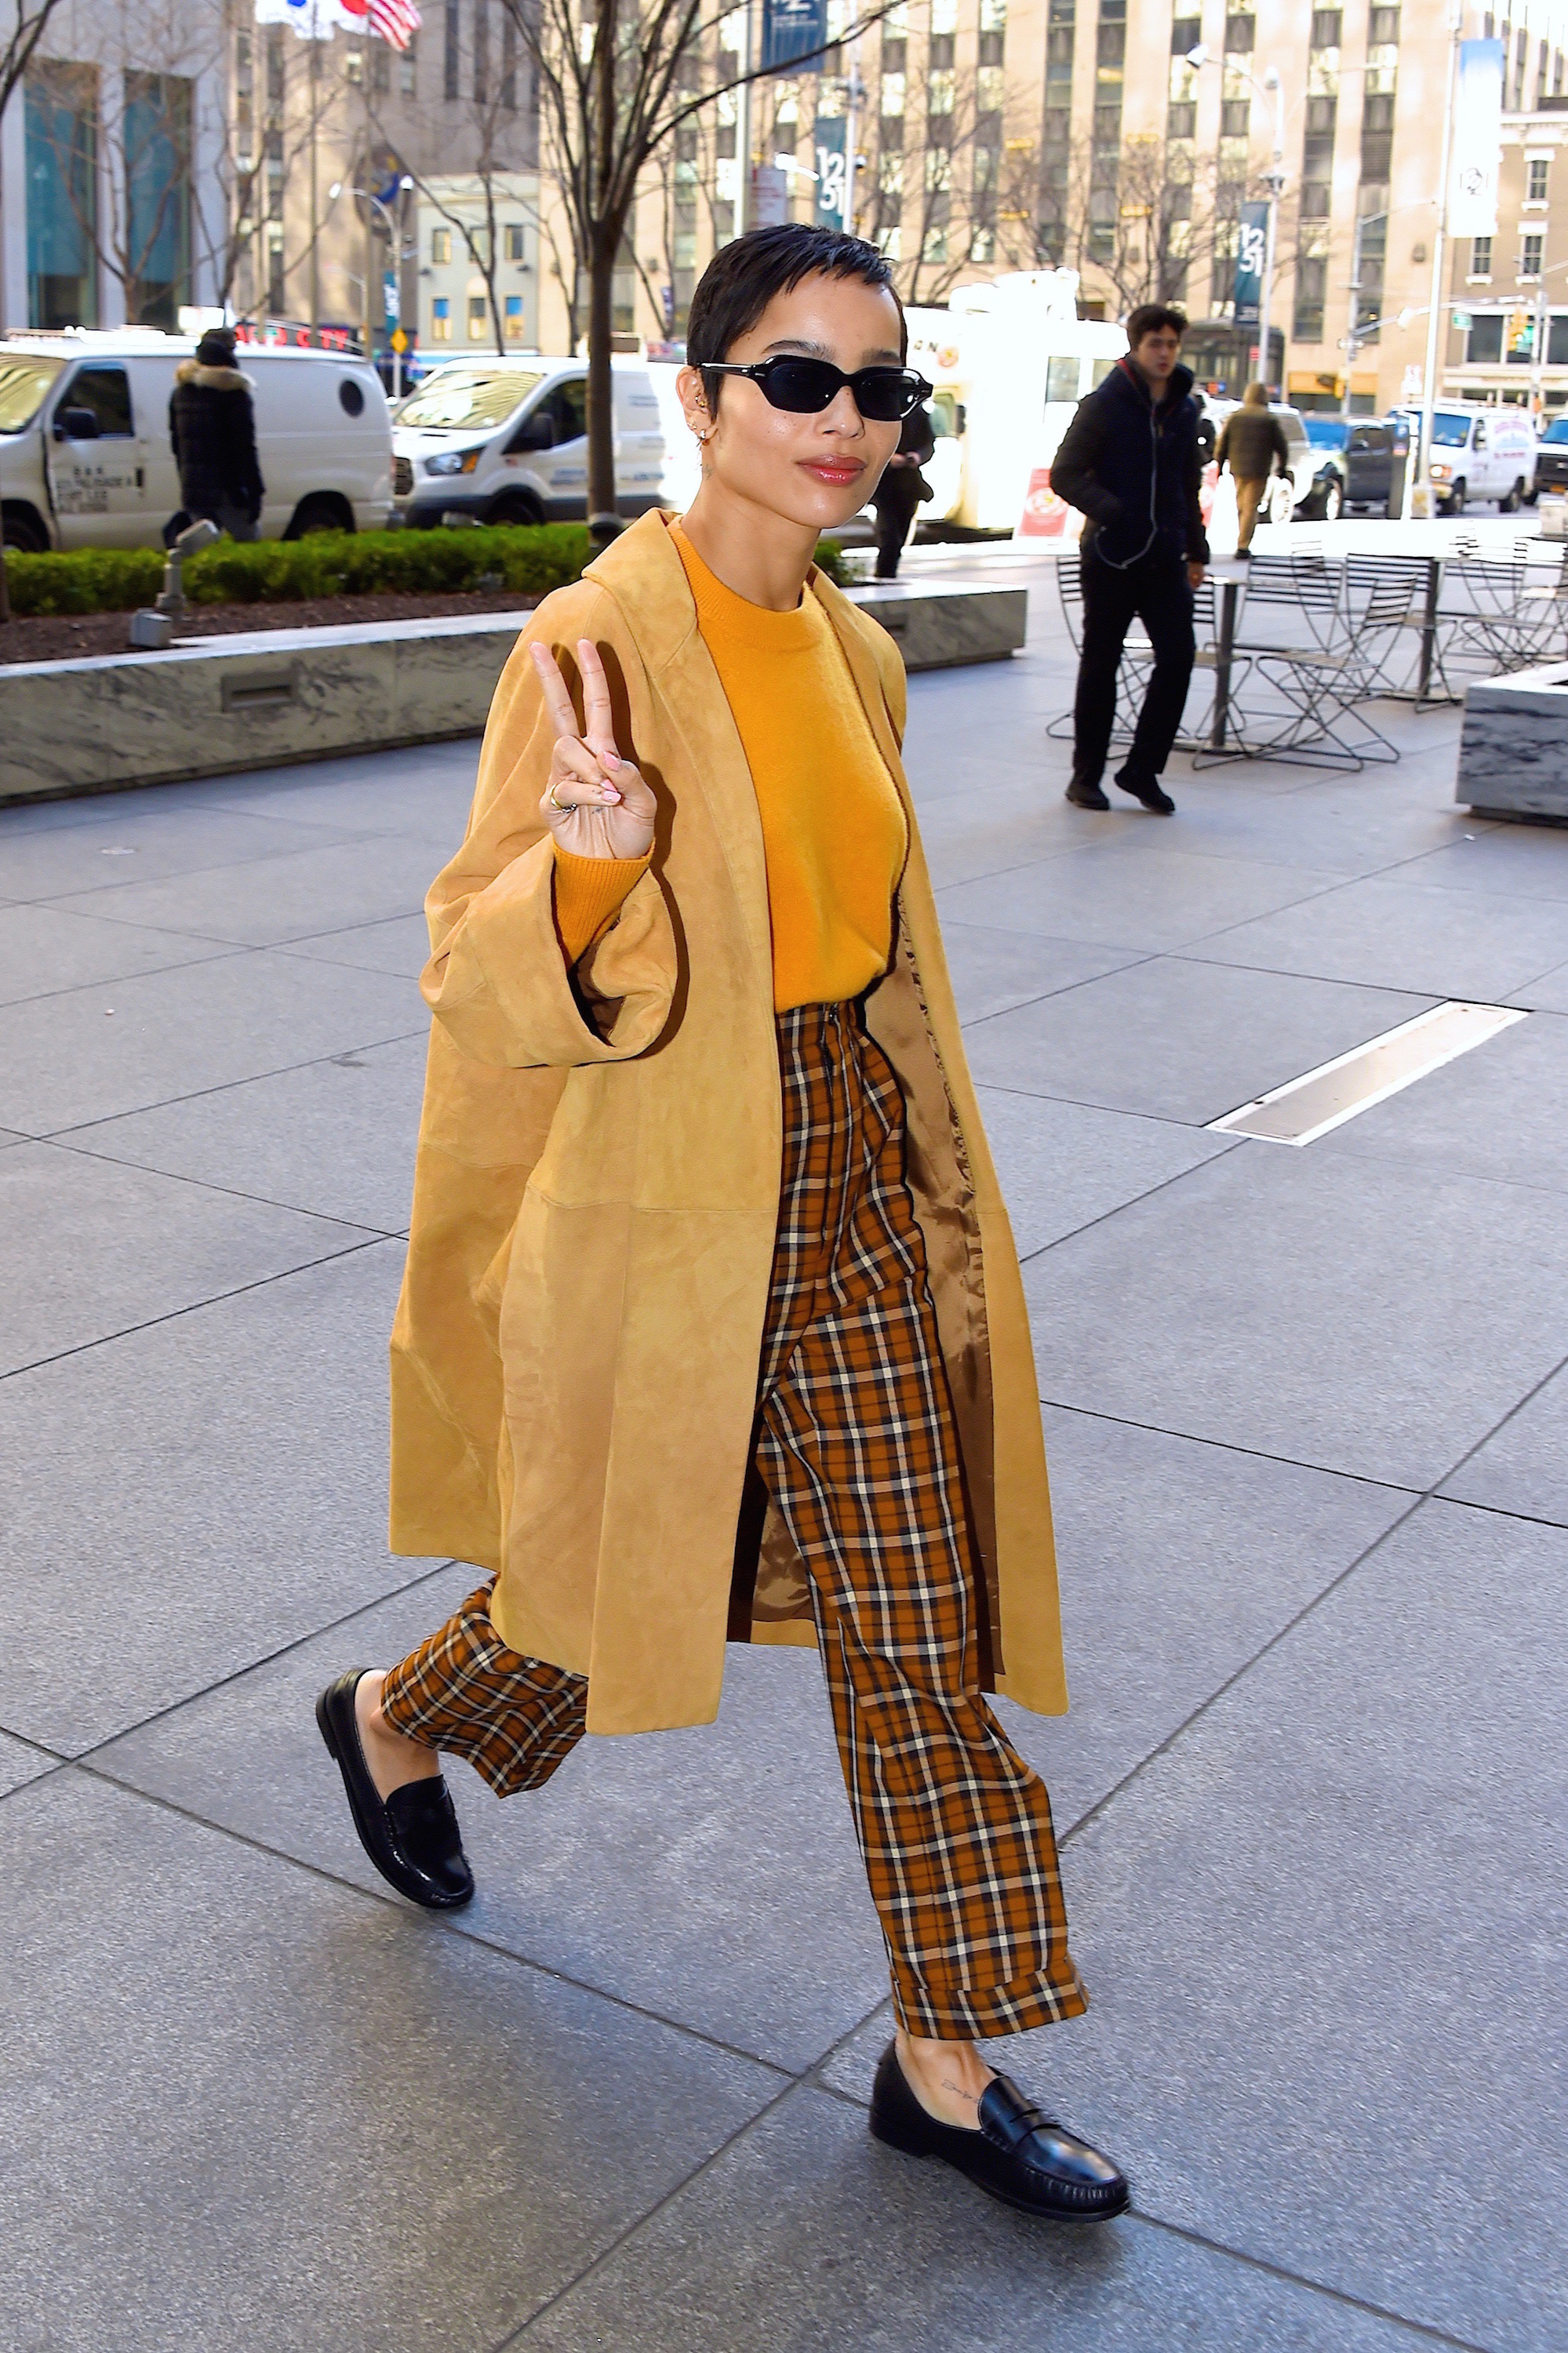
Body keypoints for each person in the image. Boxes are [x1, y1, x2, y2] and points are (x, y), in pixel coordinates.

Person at [315, 221, 1128, 2224]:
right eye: (794, 376)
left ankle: (941, 2058)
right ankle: (395, 1713)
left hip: (847, 1162)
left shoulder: (852, 645)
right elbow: (472, 960)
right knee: (617, 1582)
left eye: (876, 385)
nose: (841, 420)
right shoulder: (591, 643)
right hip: (672, 1188)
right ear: (698, 397)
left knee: (912, 1623)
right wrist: (586, 878)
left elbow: (860, 932)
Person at [1050, 301, 1209, 816]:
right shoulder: (1104, 404)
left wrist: (1195, 548)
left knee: (1178, 658)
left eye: (1171, 344)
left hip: (1164, 558)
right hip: (1111, 556)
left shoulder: (1184, 409)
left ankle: (1141, 769)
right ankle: (1085, 776)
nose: (1164, 354)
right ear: (1136, 346)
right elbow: (1065, 474)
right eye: (1154, 344)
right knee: (1102, 662)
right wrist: (1114, 513)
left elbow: (1188, 483)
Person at [167, 325, 264, 543]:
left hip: (194, 490)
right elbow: (245, 449)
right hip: (228, 490)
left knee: (202, 549)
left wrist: (186, 481)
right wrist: (255, 493)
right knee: (249, 543)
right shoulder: (234, 394)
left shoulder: (181, 392)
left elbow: (177, 445)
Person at [1215, 381, 1290, 557]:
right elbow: (1282, 446)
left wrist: (1219, 465)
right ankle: (1243, 545)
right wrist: (1282, 467)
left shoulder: (1236, 417)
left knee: (1241, 505)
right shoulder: (1269, 419)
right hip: (1259, 469)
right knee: (1251, 507)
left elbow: (1222, 443)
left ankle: (1242, 538)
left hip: (1238, 468)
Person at [871, 395, 935, 577]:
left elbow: (928, 444)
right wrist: (889, 458)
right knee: (889, 533)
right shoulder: (880, 411)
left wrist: (917, 457)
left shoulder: (918, 413)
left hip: (909, 485)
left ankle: (888, 571)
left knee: (901, 531)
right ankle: (884, 572)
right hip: (885, 483)